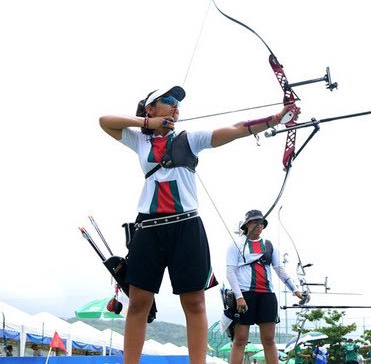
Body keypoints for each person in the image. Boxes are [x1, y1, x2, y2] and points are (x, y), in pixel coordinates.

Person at [99, 85, 299, 364]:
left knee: (194, 303)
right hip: (149, 227)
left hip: (187, 226)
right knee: (138, 304)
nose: (175, 107)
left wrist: (276, 119)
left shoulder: (189, 139)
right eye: (168, 101)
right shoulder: (140, 141)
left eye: (177, 104)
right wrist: (147, 124)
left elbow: (235, 128)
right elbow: (104, 121)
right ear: (150, 108)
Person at [226, 209, 305, 364]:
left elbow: (278, 269)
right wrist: (239, 297)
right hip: (245, 294)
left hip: (267, 295)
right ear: (247, 224)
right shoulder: (236, 244)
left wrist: (295, 289)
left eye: (262, 222)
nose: (259, 225)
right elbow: (230, 272)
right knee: (240, 338)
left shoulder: (269, 246)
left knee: (269, 340)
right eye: (256, 222)